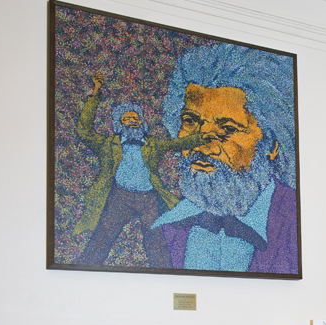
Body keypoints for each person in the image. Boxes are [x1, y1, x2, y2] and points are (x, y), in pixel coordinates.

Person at [152, 43, 298, 274]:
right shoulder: (160, 224)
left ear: (271, 145)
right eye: (190, 121)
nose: (200, 144)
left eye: (227, 129)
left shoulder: (298, 221)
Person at [72, 74, 204, 267]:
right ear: (119, 125)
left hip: (148, 199)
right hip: (120, 197)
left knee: (156, 240)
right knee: (103, 235)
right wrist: (94, 98)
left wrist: (204, 137)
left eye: (136, 118)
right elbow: (84, 131)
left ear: (142, 123)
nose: (133, 121)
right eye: (127, 118)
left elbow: (178, 143)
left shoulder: (153, 144)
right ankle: (81, 269)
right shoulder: (108, 145)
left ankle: (166, 276)